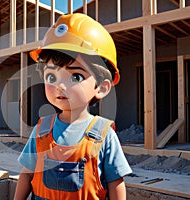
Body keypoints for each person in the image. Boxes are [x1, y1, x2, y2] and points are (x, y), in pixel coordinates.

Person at [14, 13, 132, 200]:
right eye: (51, 77)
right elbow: (27, 174)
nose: (60, 86)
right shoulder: (41, 130)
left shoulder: (104, 135)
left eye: (76, 76)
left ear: (101, 87)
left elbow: (115, 182)